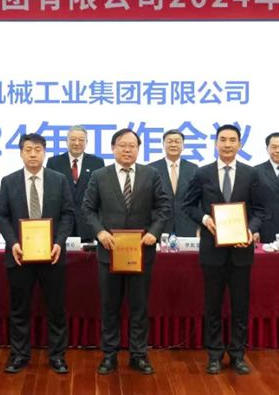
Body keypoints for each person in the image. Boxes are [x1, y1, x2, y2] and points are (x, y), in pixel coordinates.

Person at [82, 128, 171, 375]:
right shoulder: (100, 176)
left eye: (132, 146)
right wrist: (100, 232)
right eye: (122, 145)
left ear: (138, 149)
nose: (127, 150)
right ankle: (109, 355)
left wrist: (154, 232)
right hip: (109, 252)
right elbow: (88, 209)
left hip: (141, 253)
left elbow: (164, 207)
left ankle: (138, 355)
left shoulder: (151, 174)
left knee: (139, 307)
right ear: (113, 148)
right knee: (109, 306)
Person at [182, 124, 265, 375]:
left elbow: (261, 210)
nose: (227, 144)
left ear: (240, 144)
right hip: (212, 251)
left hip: (241, 251)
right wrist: (204, 219)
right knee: (213, 305)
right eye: (223, 140)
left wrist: (250, 229)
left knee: (240, 306)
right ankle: (214, 355)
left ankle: (238, 355)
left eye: (232, 140)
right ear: (216, 143)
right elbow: (188, 205)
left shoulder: (251, 174)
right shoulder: (202, 173)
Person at [0, 133, 74, 375]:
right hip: (20, 256)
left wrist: (59, 242)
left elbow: (68, 214)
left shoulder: (59, 180)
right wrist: (13, 243)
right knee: (19, 308)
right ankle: (19, 355)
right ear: (21, 153)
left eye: (37, 149)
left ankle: (57, 356)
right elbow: (1, 216)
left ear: (44, 152)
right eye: (28, 149)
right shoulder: (9, 181)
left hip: (52, 255)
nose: (32, 154)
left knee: (56, 308)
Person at [46, 125, 105, 241]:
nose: (77, 143)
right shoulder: (54, 162)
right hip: (62, 224)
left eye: (81, 140)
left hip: (88, 225)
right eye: (73, 139)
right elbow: (50, 194)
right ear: (66, 141)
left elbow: (100, 194)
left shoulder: (97, 163)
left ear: (86, 142)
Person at [148, 129, 198, 237]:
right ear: (163, 144)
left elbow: (197, 199)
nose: (173, 145)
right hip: (159, 226)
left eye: (177, 142)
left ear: (183, 145)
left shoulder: (194, 169)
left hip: (187, 225)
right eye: (169, 141)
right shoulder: (151, 169)